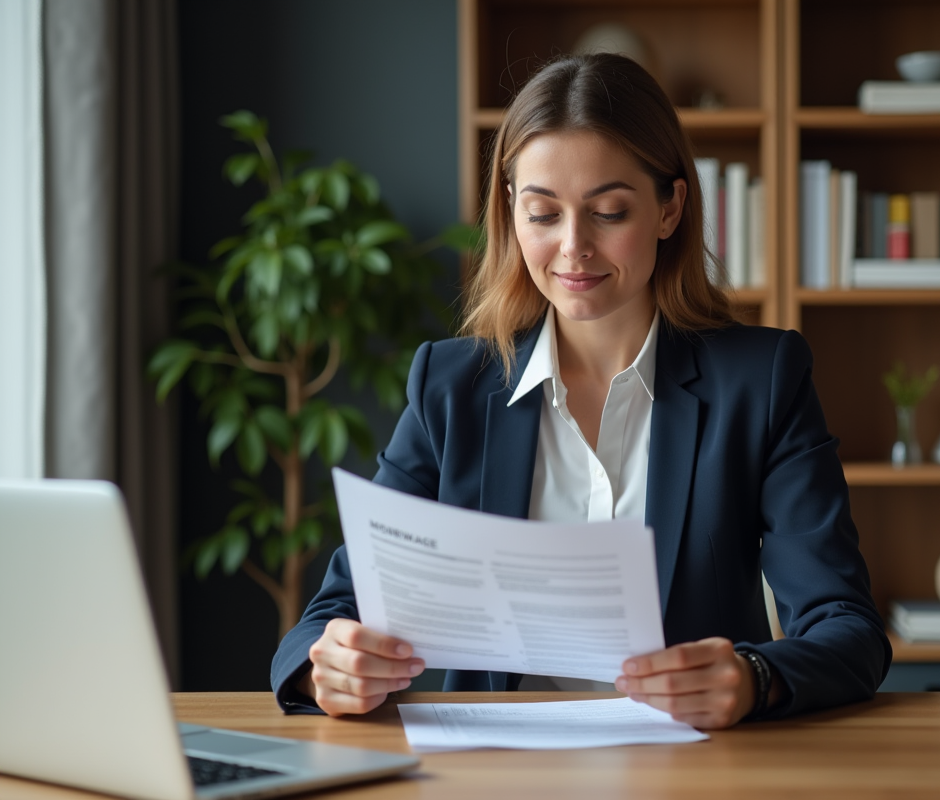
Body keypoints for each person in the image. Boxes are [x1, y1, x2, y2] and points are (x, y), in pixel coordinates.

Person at [271, 53, 890, 729]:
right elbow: (330, 617)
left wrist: (756, 676)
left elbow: (847, 629)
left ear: (669, 207)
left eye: (609, 211)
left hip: (693, 777)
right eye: (543, 213)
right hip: (491, 777)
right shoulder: (449, 388)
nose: (574, 248)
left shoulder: (763, 380)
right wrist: (324, 668)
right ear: (511, 212)